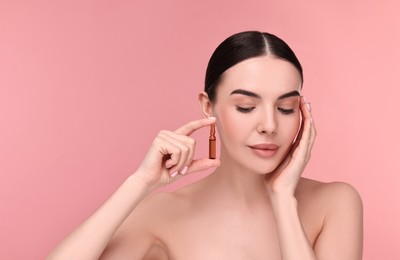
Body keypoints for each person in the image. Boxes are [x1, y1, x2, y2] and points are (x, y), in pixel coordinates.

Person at [47, 31, 363, 259]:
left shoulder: (335, 203)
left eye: (285, 108)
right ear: (208, 106)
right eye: (245, 106)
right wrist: (139, 183)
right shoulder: (161, 214)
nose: (269, 125)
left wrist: (283, 201)